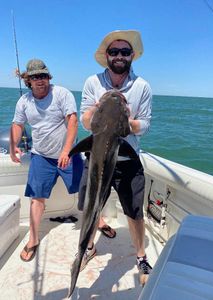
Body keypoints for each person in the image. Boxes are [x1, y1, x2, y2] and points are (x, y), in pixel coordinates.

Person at [78, 30, 152, 283]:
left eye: (124, 51)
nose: (119, 56)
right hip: (97, 158)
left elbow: (145, 125)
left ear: (132, 55)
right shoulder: (92, 83)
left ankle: (141, 256)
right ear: (107, 56)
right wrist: (97, 113)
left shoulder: (142, 86)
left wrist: (126, 125)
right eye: (114, 51)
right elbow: (85, 121)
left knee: (134, 212)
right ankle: (87, 248)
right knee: (90, 206)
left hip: (128, 162)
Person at [10, 59, 83, 262]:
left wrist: (66, 151)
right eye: (35, 77)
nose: (40, 80)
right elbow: (17, 124)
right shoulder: (24, 101)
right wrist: (13, 145)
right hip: (41, 156)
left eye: (43, 75)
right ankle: (33, 239)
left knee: (85, 191)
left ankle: (100, 221)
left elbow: (73, 122)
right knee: (36, 199)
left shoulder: (62, 94)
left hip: (68, 154)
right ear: (28, 80)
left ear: (48, 77)